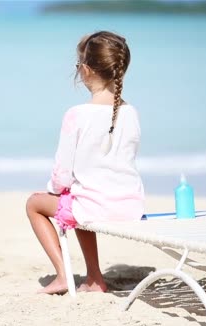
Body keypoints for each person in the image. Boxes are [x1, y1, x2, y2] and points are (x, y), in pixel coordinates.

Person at [26, 31, 145, 295]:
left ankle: (62, 275)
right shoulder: (131, 113)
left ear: (86, 70)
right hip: (131, 206)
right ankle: (94, 278)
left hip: (94, 207)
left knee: (35, 204)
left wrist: (54, 189)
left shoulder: (77, 115)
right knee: (79, 196)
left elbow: (61, 177)